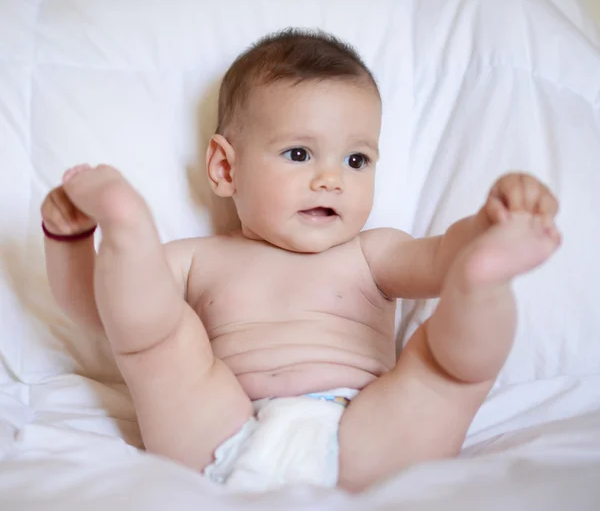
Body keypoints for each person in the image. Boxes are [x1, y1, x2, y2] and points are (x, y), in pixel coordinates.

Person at [40, 28, 561, 492]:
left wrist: (486, 227)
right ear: (225, 168)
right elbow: (100, 313)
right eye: (299, 154)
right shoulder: (197, 259)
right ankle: (125, 228)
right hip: (222, 424)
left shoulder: (373, 251)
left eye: (356, 159)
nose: (331, 179)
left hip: (370, 429)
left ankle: (487, 279)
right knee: (156, 341)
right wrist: (70, 244)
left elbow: (442, 256)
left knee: (445, 370)